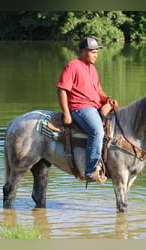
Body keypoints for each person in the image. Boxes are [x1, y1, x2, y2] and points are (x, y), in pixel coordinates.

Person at [57, 37, 118, 183]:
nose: (96, 55)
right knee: (97, 131)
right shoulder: (72, 66)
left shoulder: (92, 69)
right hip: (80, 108)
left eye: (97, 52)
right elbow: (61, 90)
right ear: (83, 52)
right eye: (93, 52)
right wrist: (66, 113)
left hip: (94, 107)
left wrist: (108, 99)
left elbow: (98, 92)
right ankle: (90, 171)